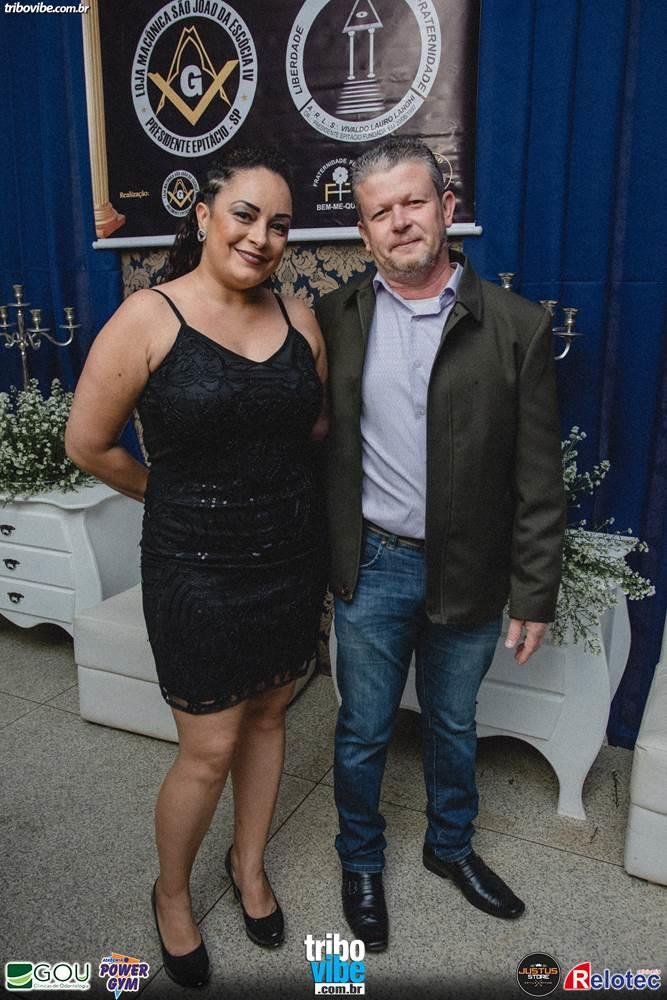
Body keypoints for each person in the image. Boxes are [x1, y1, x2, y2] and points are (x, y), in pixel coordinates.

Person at [65, 147, 328, 987]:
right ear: (205, 215)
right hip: (196, 568)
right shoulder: (148, 316)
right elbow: (87, 444)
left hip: (288, 557)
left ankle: (247, 867)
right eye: (245, 215)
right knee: (209, 748)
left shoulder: (299, 316)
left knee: (271, 717)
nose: (261, 236)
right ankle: (172, 894)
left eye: (279, 225)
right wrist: (175, 498)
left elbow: (311, 432)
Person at [314, 137, 566, 951]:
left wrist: (534, 594)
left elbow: (538, 477)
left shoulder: (516, 326)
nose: (399, 222)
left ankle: (448, 848)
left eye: (413, 202)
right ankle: (360, 860)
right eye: (379, 212)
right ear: (363, 232)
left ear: (447, 207)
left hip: (471, 569)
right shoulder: (333, 319)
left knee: (454, 725)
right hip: (374, 565)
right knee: (362, 729)